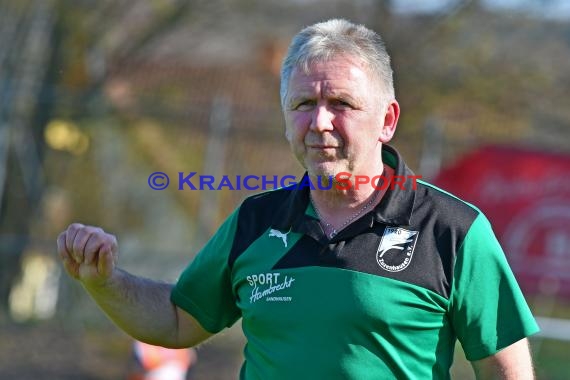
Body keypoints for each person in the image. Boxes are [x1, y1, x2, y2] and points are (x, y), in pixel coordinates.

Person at [57, 19, 539, 379]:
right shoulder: (255, 220)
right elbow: (180, 321)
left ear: (388, 119)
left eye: (343, 104)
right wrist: (104, 281)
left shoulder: (452, 230)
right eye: (304, 104)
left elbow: (506, 372)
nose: (320, 123)